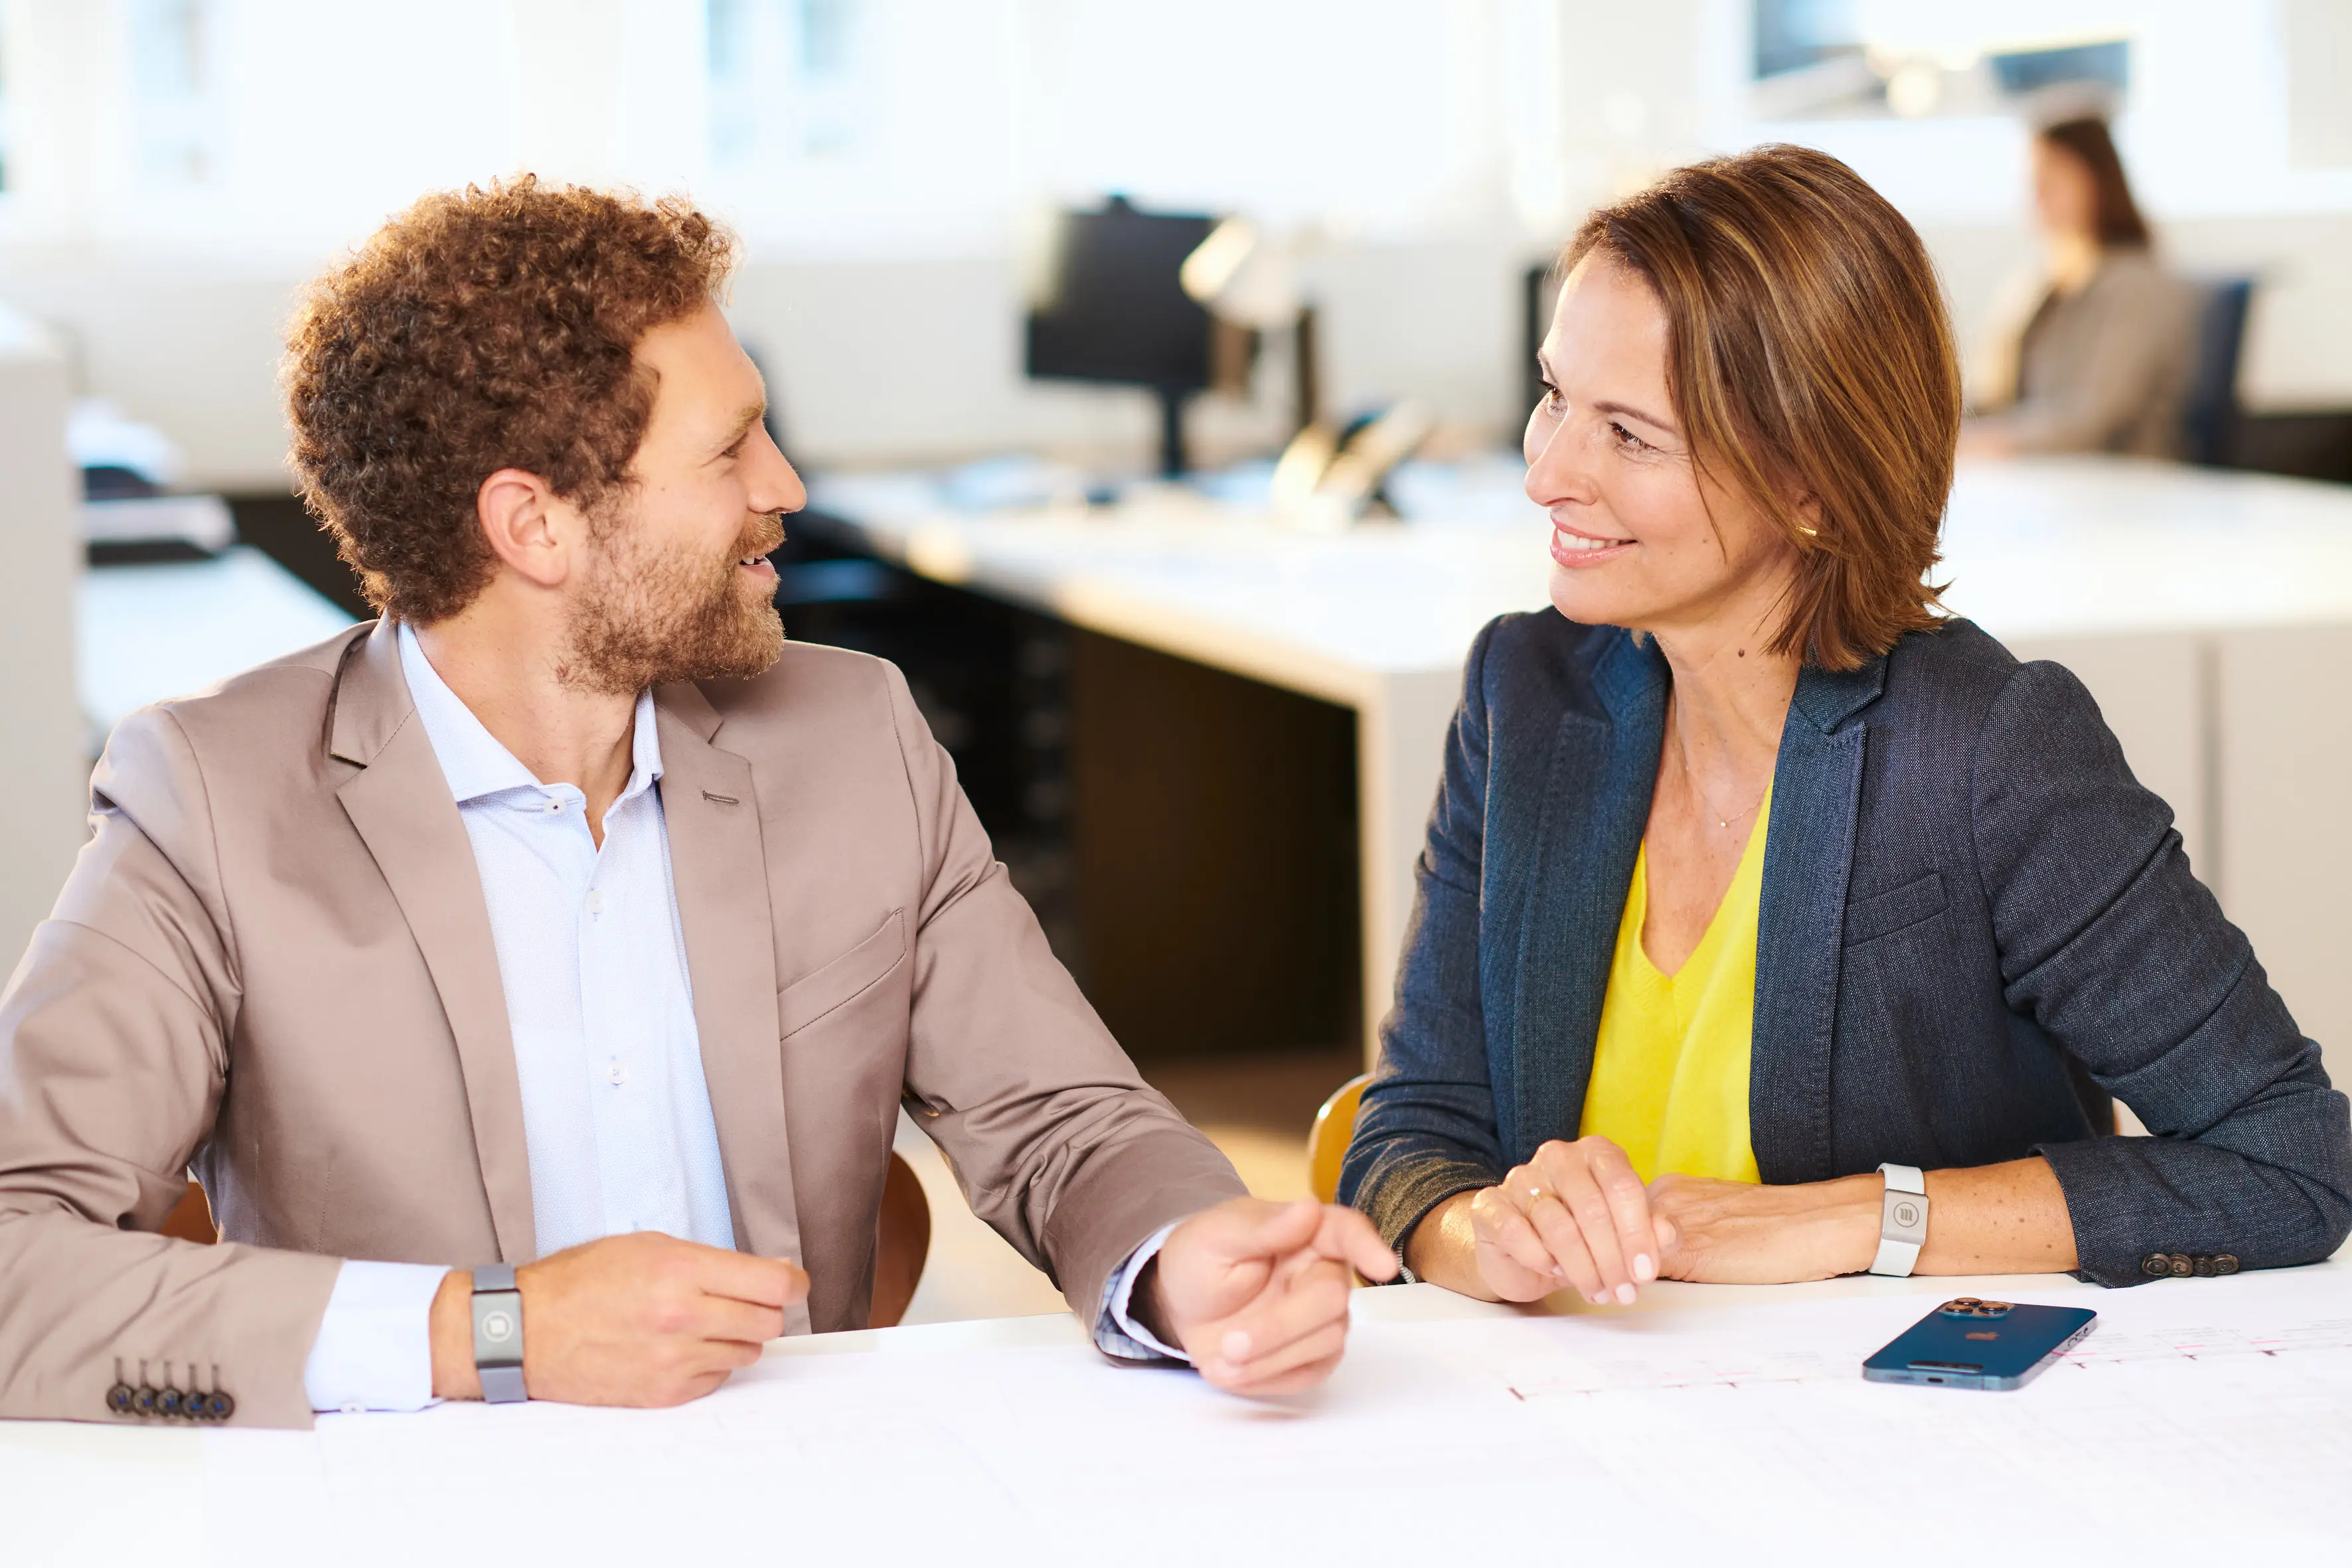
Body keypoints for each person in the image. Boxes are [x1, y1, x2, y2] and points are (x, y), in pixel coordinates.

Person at [0, 178, 1393, 1429]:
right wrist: (489, 1332)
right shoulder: (214, 794)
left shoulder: (855, 737)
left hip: (799, 1492)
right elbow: (17, 1262)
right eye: (729, 452)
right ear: (533, 525)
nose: (782, 488)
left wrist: (1179, 1257)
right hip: (420, 1504)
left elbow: (1064, 1121)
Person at [1341, 145, 2350, 1308]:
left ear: (1811, 484)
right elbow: (1409, 1135)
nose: (1547, 472)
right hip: (1591, 1417)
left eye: (1627, 434)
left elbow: (2286, 1157)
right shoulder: (1525, 692)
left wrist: (1853, 1217)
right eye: (1555, 397)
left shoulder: (1985, 749)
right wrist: (1485, 1234)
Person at [1962, 116, 2199, 459]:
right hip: (2048, 476)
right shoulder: (2044, 284)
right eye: (2033, 180)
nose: (2037, 194)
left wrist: (1995, 442)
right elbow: (1998, 395)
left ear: (2097, 183)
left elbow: (2097, 419)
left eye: (2052, 179)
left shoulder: (2136, 286)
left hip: (2119, 484)